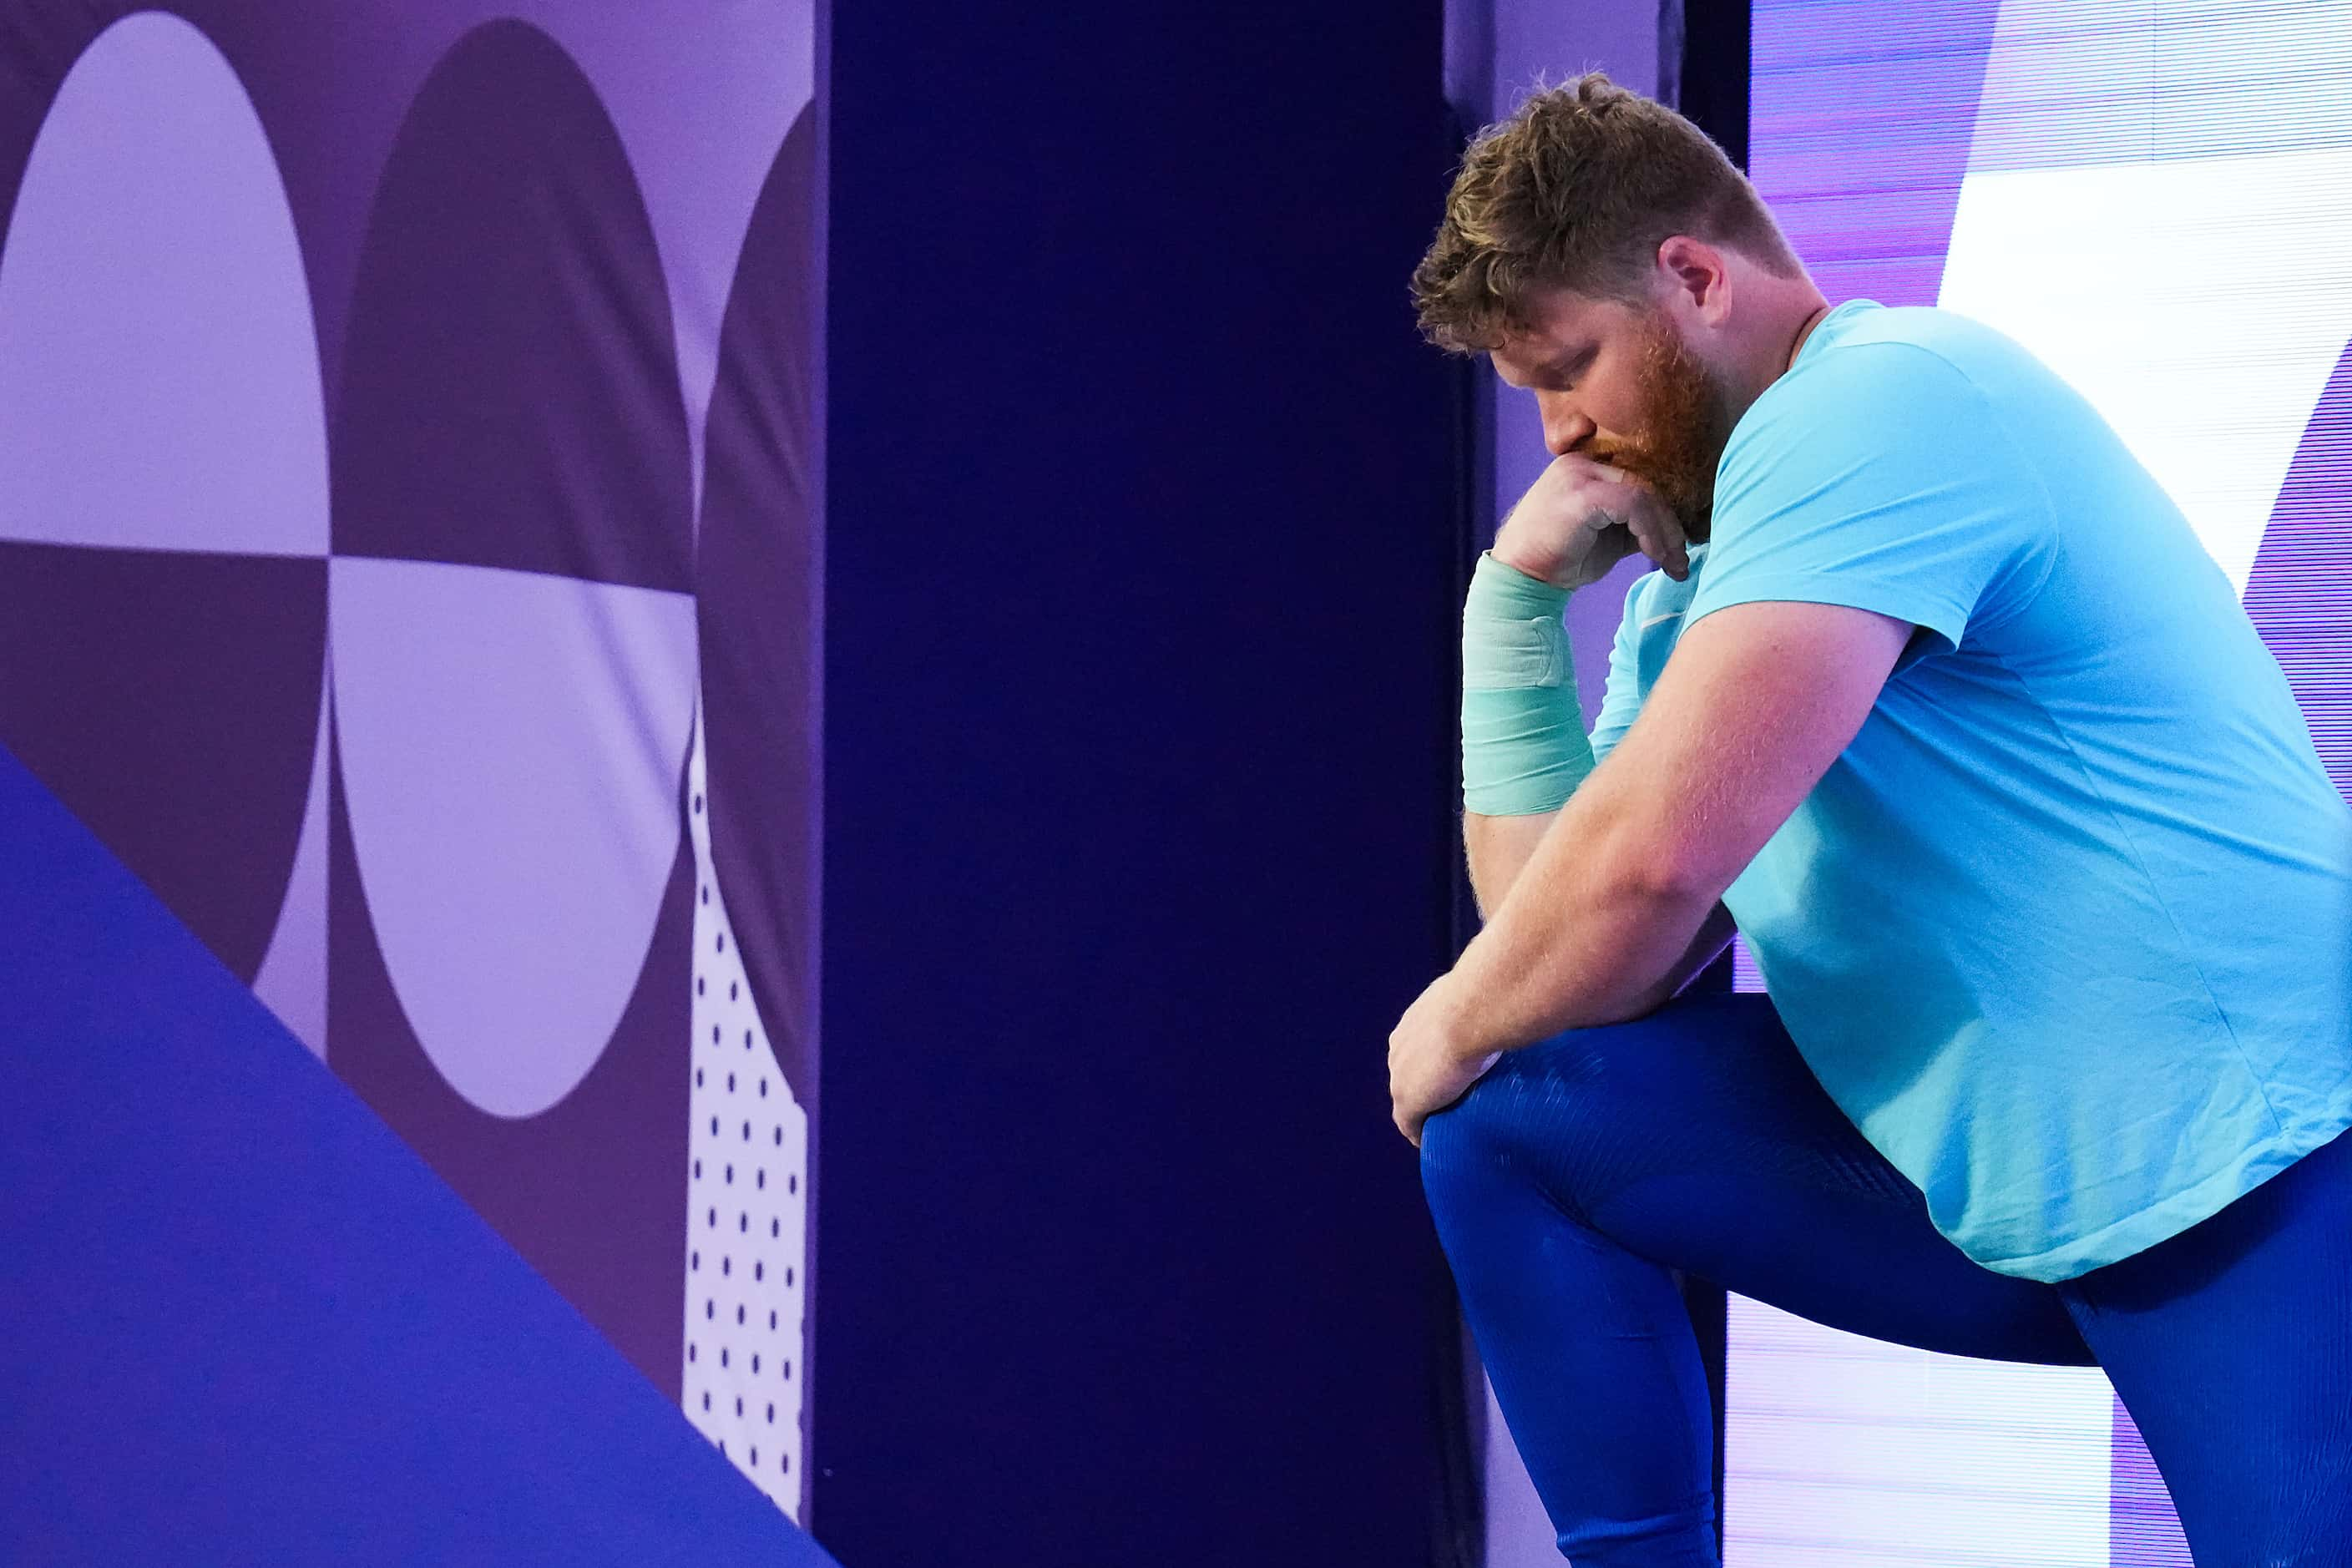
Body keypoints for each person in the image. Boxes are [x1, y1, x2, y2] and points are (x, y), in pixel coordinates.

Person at [1388, 71, 2352, 1566]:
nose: (1563, 432)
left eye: (1570, 364)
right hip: (2023, 1185)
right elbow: (1565, 965)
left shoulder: (1884, 401)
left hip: (2268, 1164)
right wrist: (1509, 606)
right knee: (1516, 1120)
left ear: (1695, 279)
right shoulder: (1699, 600)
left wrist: (1439, 1016)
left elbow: (1641, 875)